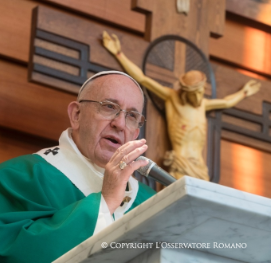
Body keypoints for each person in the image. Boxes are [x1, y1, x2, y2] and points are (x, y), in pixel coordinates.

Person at [0, 71, 156, 263]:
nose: (120, 124)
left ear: (135, 134)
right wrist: (103, 204)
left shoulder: (151, 202)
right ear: (76, 115)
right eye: (109, 106)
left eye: (131, 116)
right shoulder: (17, 177)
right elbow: (4, 254)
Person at [102, 31, 261, 181]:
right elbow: (143, 79)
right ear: (186, 92)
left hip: (199, 168)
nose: (199, 97)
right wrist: (119, 54)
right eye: (195, 93)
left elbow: (226, 102)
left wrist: (244, 93)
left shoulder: (203, 105)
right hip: (180, 164)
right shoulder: (172, 98)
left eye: (201, 92)